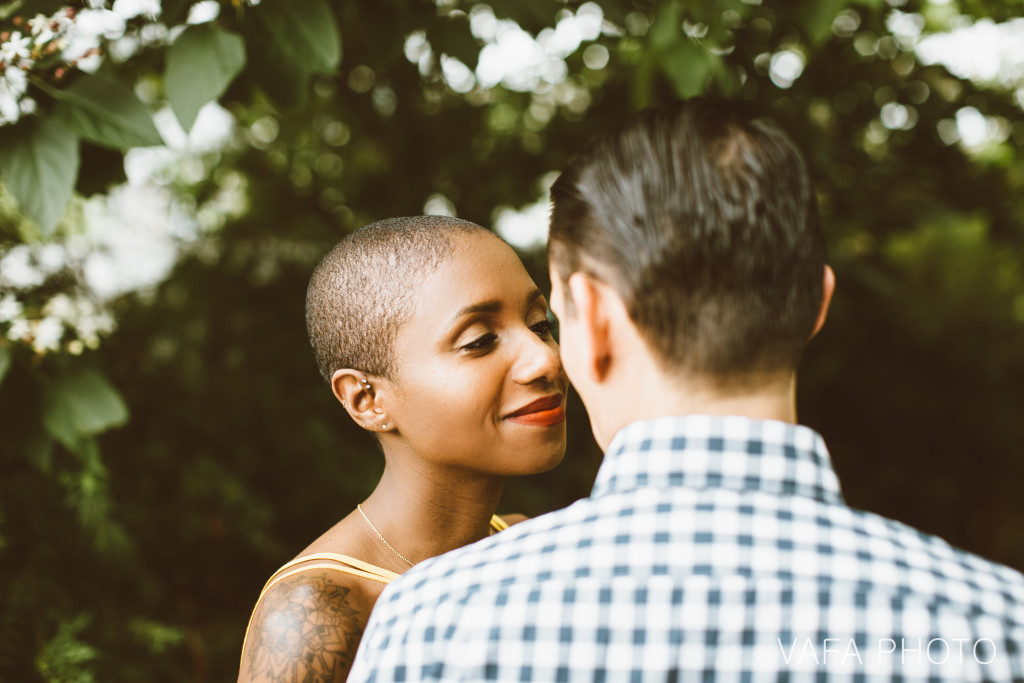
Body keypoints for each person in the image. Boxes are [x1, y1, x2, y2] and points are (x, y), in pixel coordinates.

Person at [348, 100, 1024, 681]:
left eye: (552, 317)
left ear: (598, 315)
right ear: (815, 303)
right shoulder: (993, 625)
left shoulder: (436, 623)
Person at [237, 216, 568, 682]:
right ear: (367, 399)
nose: (545, 359)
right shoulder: (316, 612)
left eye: (541, 323)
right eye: (479, 341)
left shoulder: (521, 545)